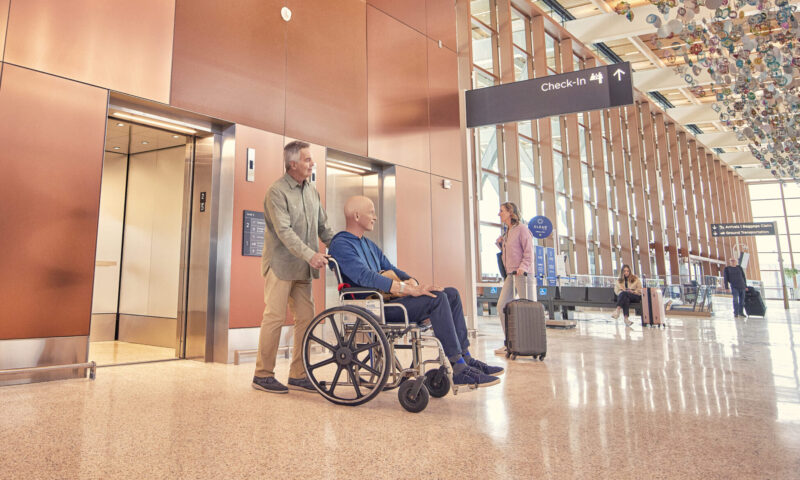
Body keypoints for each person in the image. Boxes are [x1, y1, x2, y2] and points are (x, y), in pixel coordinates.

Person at [328, 195, 504, 387]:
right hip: (372, 307)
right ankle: (459, 367)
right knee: (436, 298)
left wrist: (413, 282)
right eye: (371, 212)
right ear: (356, 216)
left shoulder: (368, 244)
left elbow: (391, 268)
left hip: (387, 302)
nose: (375, 217)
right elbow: (364, 276)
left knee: (451, 294)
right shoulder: (340, 245)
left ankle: (466, 358)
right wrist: (407, 289)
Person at [252, 141, 335, 394]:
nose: (312, 163)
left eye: (311, 159)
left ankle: (299, 374)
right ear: (292, 164)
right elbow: (284, 232)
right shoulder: (276, 192)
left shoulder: (312, 192)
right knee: (275, 318)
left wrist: (345, 249)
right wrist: (311, 255)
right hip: (280, 265)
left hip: (303, 268)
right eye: (307, 159)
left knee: (307, 319)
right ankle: (262, 374)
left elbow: (323, 227)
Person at [494, 202, 534, 356]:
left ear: (510, 212)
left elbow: (529, 251)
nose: (499, 214)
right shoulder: (508, 232)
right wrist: (501, 245)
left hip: (522, 274)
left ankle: (530, 343)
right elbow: (511, 252)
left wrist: (523, 267)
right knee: (502, 306)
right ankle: (510, 342)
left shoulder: (522, 229)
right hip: (510, 274)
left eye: (501, 211)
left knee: (527, 309)